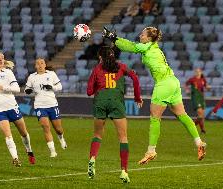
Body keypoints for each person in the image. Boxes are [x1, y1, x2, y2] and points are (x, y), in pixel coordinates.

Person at [103, 26, 206, 165]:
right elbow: (132, 45)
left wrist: (114, 38)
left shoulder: (146, 47)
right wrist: (116, 39)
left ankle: (151, 151)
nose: (140, 35)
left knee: (155, 117)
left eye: (143, 34)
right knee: (182, 115)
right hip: (173, 82)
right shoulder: (154, 47)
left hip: (163, 83)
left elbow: (130, 46)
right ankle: (199, 142)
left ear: (149, 38)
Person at [86, 46, 143, 183]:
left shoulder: (97, 69)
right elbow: (135, 78)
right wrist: (137, 97)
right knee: (123, 138)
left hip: (100, 101)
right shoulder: (122, 66)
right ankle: (124, 171)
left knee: (97, 135)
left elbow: (89, 91)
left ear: (100, 57)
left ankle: (92, 159)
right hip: (116, 102)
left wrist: (98, 89)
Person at [24, 58, 67, 158]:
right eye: (37, 63)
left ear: (45, 65)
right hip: (40, 106)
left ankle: (61, 138)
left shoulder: (51, 74)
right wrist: (28, 91)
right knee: (46, 127)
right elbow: (27, 89)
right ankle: (52, 151)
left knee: (58, 129)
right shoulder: (32, 77)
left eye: (42, 63)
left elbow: (60, 87)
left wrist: (51, 87)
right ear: (35, 66)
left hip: (52, 105)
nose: (39, 65)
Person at [185, 68, 211, 134]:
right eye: (196, 71)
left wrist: (208, 88)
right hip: (195, 98)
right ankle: (191, 127)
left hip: (201, 98)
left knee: (202, 115)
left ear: (201, 72)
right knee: (200, 114)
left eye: (199, 71)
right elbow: (186, 84)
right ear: (195, 72)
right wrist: (187, 90)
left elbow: (207, 87)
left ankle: (202, 130)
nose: (197, 72)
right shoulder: (192, 79)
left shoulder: (203, 79)